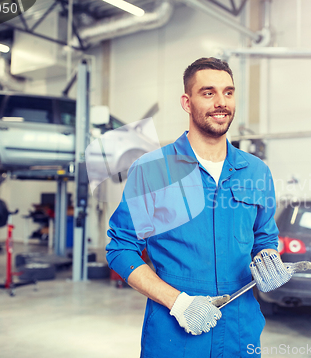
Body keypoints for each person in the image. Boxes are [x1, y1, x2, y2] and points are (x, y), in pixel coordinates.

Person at [106, 57, 292, 358]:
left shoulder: (256, 172)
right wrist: (178, 302)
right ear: (187, 102)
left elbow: (264, 238)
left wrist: (269, 258)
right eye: (208, 93)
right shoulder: (152, 170)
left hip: (241, 332)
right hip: (174, 335)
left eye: (228, 93)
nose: (221, 102)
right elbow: (120, 249)